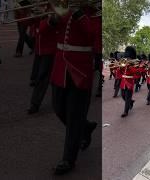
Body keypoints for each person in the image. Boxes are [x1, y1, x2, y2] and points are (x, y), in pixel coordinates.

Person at [48, 3, 98, 174]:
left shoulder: (95, 12)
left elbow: (92, 35)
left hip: (80, 69)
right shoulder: (63, 8)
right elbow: (43, 31)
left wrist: (79, 13)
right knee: (58, 108)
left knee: (74, 116)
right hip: (60, 67)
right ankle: (85, 128)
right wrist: (52, 20)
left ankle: (68, 160)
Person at [27, 16, 57, 114]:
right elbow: (31, 26)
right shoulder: (43, 11)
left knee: (43, 77)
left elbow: (43, 28)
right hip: (39, 49)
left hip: (49, 50)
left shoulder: (53, 12)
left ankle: (35, 103)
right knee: (42, 77)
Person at [120, 46, 137, 117]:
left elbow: (135, 72)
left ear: (131, 57)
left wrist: (129, 66)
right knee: (123, 96)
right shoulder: (125, 63)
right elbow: (122, 72)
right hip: (123, 82)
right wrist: (121, 67)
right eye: (127, 57)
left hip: (129, 83)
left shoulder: (134, 64)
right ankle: (131, 101)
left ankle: (125, 112)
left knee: (127, 98)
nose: (127, 59)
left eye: (128, 58)